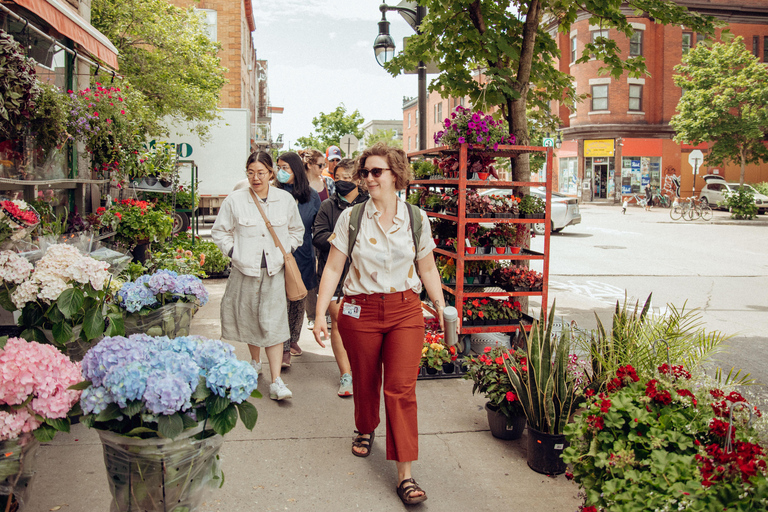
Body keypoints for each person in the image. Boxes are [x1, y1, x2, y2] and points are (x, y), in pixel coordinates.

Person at [312, 143, 444, 505]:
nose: (368, 179)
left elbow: (427, 268)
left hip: (405, 311)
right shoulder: (352, 218)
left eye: (376, 172)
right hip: (360, 310)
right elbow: (334, 268)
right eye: (365, 172)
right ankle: (366, 426)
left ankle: (406, 475)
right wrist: (321, 312)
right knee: (366, 379)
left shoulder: (416, 218)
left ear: (396, 175)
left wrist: (443, 307)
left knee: (400, 390)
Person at [212, 151, 303, 401]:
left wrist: (287, 250)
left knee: (274, 324)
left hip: (275, 271)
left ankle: (276, 381)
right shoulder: (235, 200)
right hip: (246, 270)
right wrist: (235, 252)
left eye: (261, 172)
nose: (255, 177)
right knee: (251, 319)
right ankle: (254, 362)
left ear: (271, 173)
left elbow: (297, 230)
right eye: (250, 172)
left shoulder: (285, 200)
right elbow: (220, 232)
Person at [312, 158, 369, 397]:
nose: (342, 182)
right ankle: (346, 374)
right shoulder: (328, 205)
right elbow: (318, 235)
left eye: (347, 178)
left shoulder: (369, 204)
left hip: (364, 278)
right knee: (339, 323)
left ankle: (363, 371)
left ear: (358, 179)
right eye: (338, 178)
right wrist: (343, 242)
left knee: (362, 329)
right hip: (334, 276)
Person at [275, 152, 321, 364]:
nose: (281, 172)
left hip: (303, 255)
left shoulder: (311, 196)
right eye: (279, 168)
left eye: (285, 168)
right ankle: (283, 346)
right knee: (281, 300)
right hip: (278, 255)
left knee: (299, 299)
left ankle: (293, 339)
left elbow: (318, 228)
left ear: (296, 170)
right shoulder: (273, 193)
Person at [298, 148, 335, 331]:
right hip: (305, 236)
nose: (323, 168)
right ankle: (312, 315)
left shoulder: (328, 183)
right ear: (310, 165)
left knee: (326, 272)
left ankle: (326, 312)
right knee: (309, 275)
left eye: (324, 164)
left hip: (325, 234)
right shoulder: (299, 184)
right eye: (320, 165)